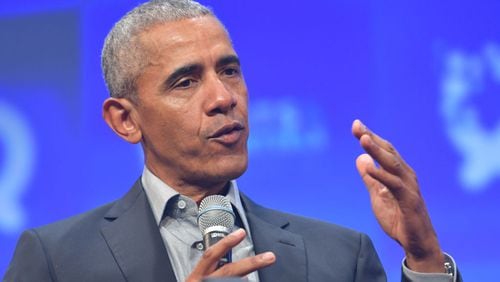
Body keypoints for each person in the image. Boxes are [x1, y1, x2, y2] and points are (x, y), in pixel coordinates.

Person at [4, 0, 461, 281]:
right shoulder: (56, 261)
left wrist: (423, 259)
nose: (224, 97)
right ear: (125, 120)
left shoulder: (340, 256)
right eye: (185, 82)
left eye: (229, 70)